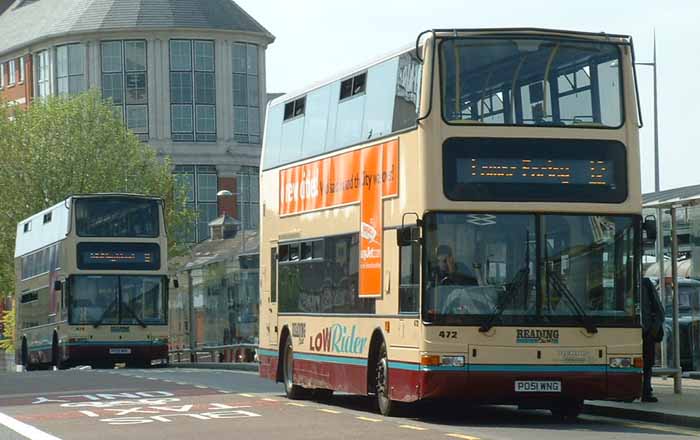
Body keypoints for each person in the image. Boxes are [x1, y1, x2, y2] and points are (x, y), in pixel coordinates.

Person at [641, 277, 665, 403]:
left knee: (647, 364)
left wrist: (652, 332)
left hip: (645, 333)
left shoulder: (645, 283)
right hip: (630, 330)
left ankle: (646, 391)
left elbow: (660, 312)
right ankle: (644, 391)